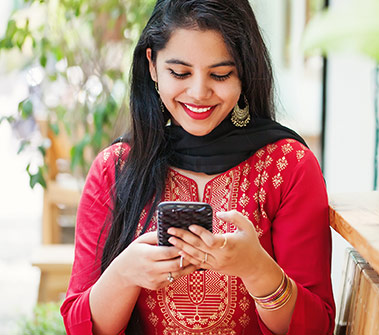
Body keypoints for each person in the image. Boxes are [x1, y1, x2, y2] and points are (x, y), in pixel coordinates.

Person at [60, 0, 335, 334]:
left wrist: (258, 270)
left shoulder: (288, 167)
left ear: (244, 71)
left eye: (220, 74)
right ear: (152, 66)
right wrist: (125, 274)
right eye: (180, 73)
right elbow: (79, 326)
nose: (199, 92)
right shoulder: (115, 169)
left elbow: (317, 326)